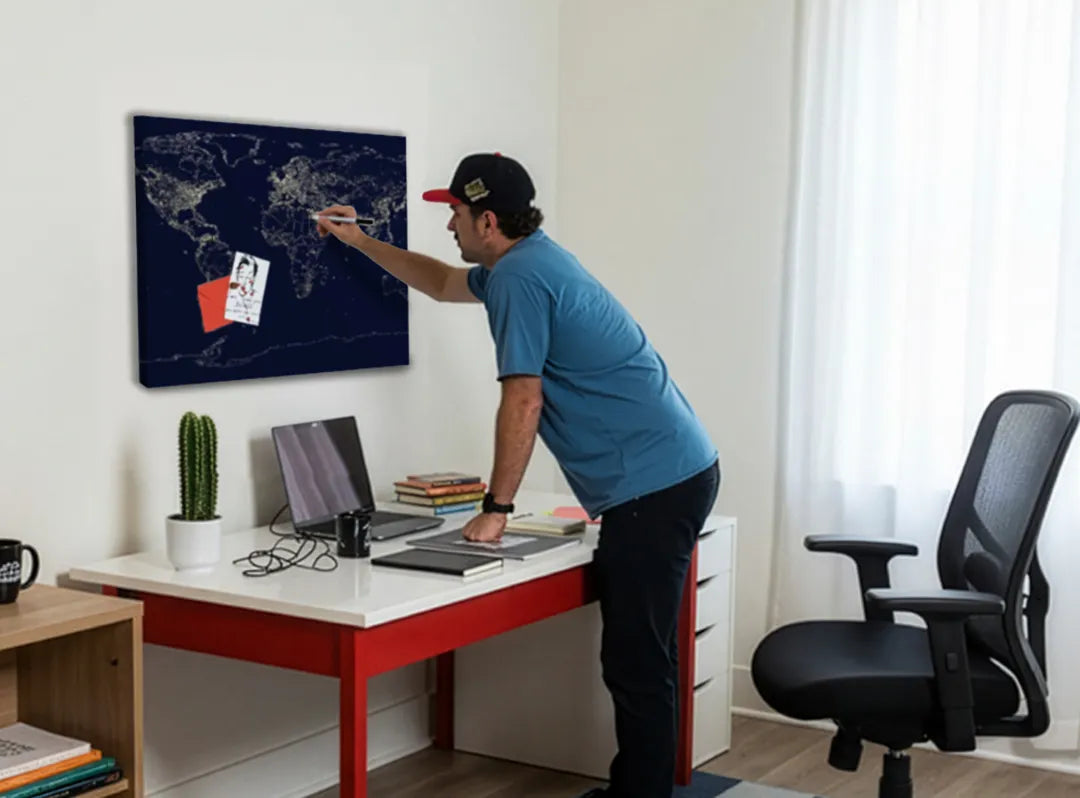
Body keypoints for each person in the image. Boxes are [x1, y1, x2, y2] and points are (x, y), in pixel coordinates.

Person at [314, 152, 720, 798]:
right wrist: (360, 242)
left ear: (488, 221)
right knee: (643, 653)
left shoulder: (518, 281)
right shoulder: (529, 260)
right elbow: (443, 282)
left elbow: (523, 399)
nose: (449, 224)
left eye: (455, 212)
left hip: (653, 485)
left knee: (637, 660)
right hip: (673, 470)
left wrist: (496, 507)